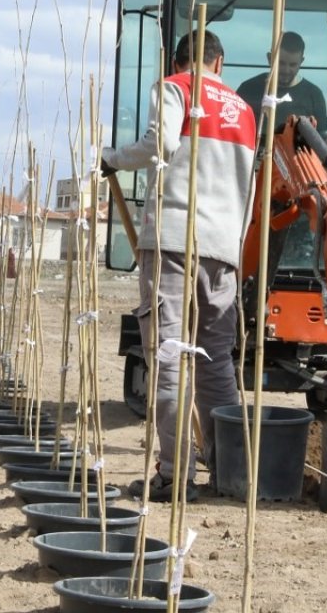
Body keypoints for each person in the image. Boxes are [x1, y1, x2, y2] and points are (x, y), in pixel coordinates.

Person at [101, 31, 257, 503]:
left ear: (179, 60)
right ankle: (233, 470)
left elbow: (159, 143)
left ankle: (175, 474)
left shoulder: (175, 87)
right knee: (215, 367)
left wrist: (113, 158)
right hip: (224, 249)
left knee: (169, 356)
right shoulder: (245, 111)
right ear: (221, 62)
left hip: (174, 240)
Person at [236, 31, 327, 145]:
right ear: (269, 58)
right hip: (255, 160)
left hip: (296, 161)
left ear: (301, 62)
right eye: (281, 63)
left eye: (292, 65)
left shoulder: (314, 95)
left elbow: (324, 140)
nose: (286, 70)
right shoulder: (248, 89)